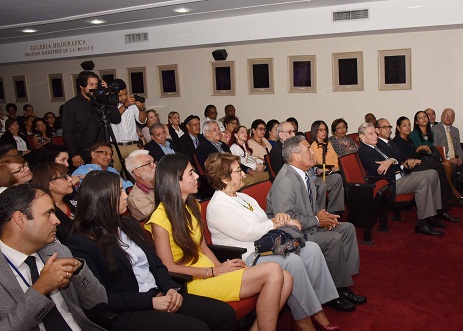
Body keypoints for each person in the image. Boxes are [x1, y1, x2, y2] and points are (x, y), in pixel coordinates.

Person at [66, 171, 237, 331]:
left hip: (159, 294)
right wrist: (151, 301)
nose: (126, 196)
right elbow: (100, 298)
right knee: (196, 328)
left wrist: (171, 288)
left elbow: (157, 265)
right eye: (119, 192)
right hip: (128, 310)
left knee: (224, 314)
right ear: (101, 198)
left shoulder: (128, 225)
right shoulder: (81, 243)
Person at [146, 154, 292, 331]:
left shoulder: (191, 206)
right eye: (191, 173)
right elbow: (168, 267)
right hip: (193, 281)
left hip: (211, 273)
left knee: (286, 278)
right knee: (274, 270)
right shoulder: (160, 219)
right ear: (175, 180)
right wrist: (215, 271)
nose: (197, 176)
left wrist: (222, 269)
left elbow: (203, 247)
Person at [205, 153, 341, 331]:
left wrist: (281, 219)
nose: (244, 174)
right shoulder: (218, 206)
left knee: (312, 249)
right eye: (238, 171)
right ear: (224, 178)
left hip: (266, 247)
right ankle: (304, 320)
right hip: (246, 256)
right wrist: (276, 222)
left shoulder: (242, 197)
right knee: (292, 261)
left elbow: (264, 220)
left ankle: (318, 309)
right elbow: (248, 233)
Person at [267, 135, 366, 313]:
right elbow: (287, 221)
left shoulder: (304, 174)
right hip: (291, 235)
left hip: (309, 225)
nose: (313, 152)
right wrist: (318, 221)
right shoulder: (285, 181)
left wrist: (323, 218)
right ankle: (333, 293)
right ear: (296, 156)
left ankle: (343, 284)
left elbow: (310, 207)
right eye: (308, 149)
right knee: (334, 238)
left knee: (347, 228)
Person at [0, 184, 108, 330]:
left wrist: (79, 270)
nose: (56, 220)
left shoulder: (57, 251)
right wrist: (41, 289)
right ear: (19, 219)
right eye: (48, 214)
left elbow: (99, 303)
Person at [357, 122, 445, 236]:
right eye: (371, 134)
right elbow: (384, 172)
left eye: (375, 132)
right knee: (422, 179)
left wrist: (391, 161)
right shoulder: (365, 152)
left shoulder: (378, 145)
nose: (375, 135)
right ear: (362, 137)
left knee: (433, 174)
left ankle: (433, 215)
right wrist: (398, 164)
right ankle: (422, 223)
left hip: (399, 176)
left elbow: (400, 156)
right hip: (389, 184)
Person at [395, 116, 463, 207]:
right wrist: (416, 153)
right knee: (439, 164)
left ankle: (446, 198)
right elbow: (403, 159)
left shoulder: (409, 139)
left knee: (439, 169)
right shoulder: (396, 141)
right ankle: (451, 193)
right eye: (404, 125)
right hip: (410, 168)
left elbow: (415, 154)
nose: (408, 127)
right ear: (398, 128)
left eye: (409, 125)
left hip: (418, 162)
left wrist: (419, 150)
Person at [62, 70, 121, 167]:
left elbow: (116, 119)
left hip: (103, 151)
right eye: (91, 84)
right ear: (81, 85)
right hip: (83, 152)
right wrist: (74, 154)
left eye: (96, 85)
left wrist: (108, 97)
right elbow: (68, 132)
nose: (94, 87)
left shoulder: (102, 102)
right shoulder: (71, 105)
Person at [197, 120, 268, 186]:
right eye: (214, 130)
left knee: (266, 175)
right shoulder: (203, 148)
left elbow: (235, 160)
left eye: (219, 129)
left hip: (237, 172)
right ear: (206, 133)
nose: (219, 131)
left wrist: (248, 170)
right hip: (223, 179)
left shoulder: (223, 145)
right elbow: (212, 169)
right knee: (254, 180)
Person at [432, 108, 463, 192]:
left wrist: (460, 158)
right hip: (443, 160)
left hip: (454, 157)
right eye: (446, 115)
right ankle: (453, 189)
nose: (448, 118)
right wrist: (449, 159)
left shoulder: (455, 130)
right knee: (452, 167)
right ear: (441, 117)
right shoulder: (435, 129)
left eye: (451, 116)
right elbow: (436, 149)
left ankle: (460, 183)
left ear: (453, 119)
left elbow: (458, 146)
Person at [31, 163, 78, 243]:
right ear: (49, 184)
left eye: (68, 175)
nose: (70, 179)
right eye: (64, 177)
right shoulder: (45, 215)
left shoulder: (73, 203)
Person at [110, 79, 147, 173]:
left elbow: (142, 121)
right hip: (116, 147)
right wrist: (125, 105)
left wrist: (142, 108)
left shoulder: (132, 104)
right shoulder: (110, 105)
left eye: (125, 94)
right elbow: (114, 118)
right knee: (114, 176)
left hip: (132, 145)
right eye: (120, 95)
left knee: (137, 175)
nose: (123, 97)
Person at [125, 150, 157, 220]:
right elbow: (161, 219)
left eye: (153, 162)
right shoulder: (137, 199)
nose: (154, 166)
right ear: (137, 172)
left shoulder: (160, 183)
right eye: (149, 164)